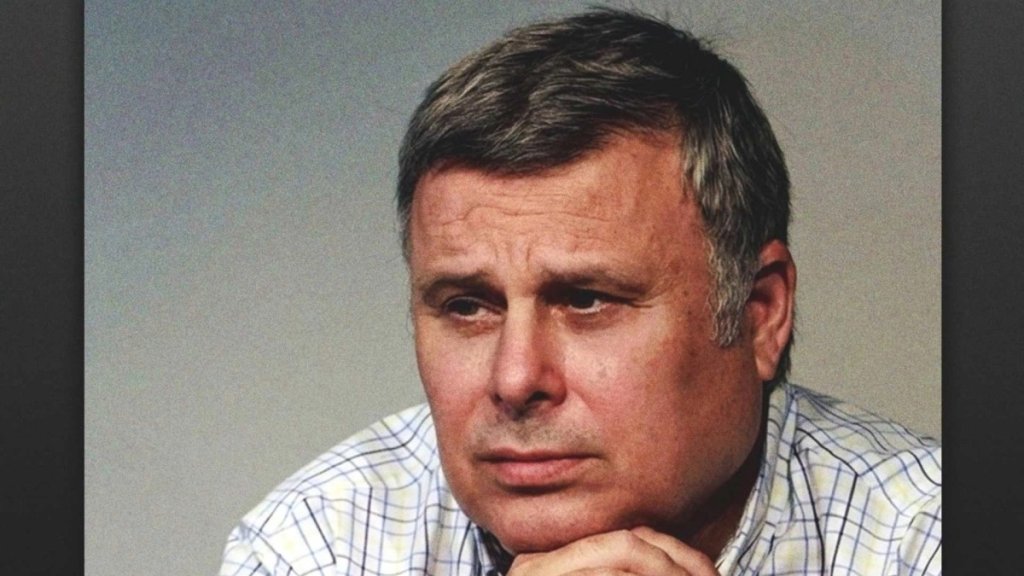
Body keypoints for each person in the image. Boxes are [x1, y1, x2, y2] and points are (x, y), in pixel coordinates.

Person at [220, 8, 940, 575]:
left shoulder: (930, 540)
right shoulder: (318, 545)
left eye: (587, 301)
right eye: (468, 306)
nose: (515, 380)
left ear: (759, 314)